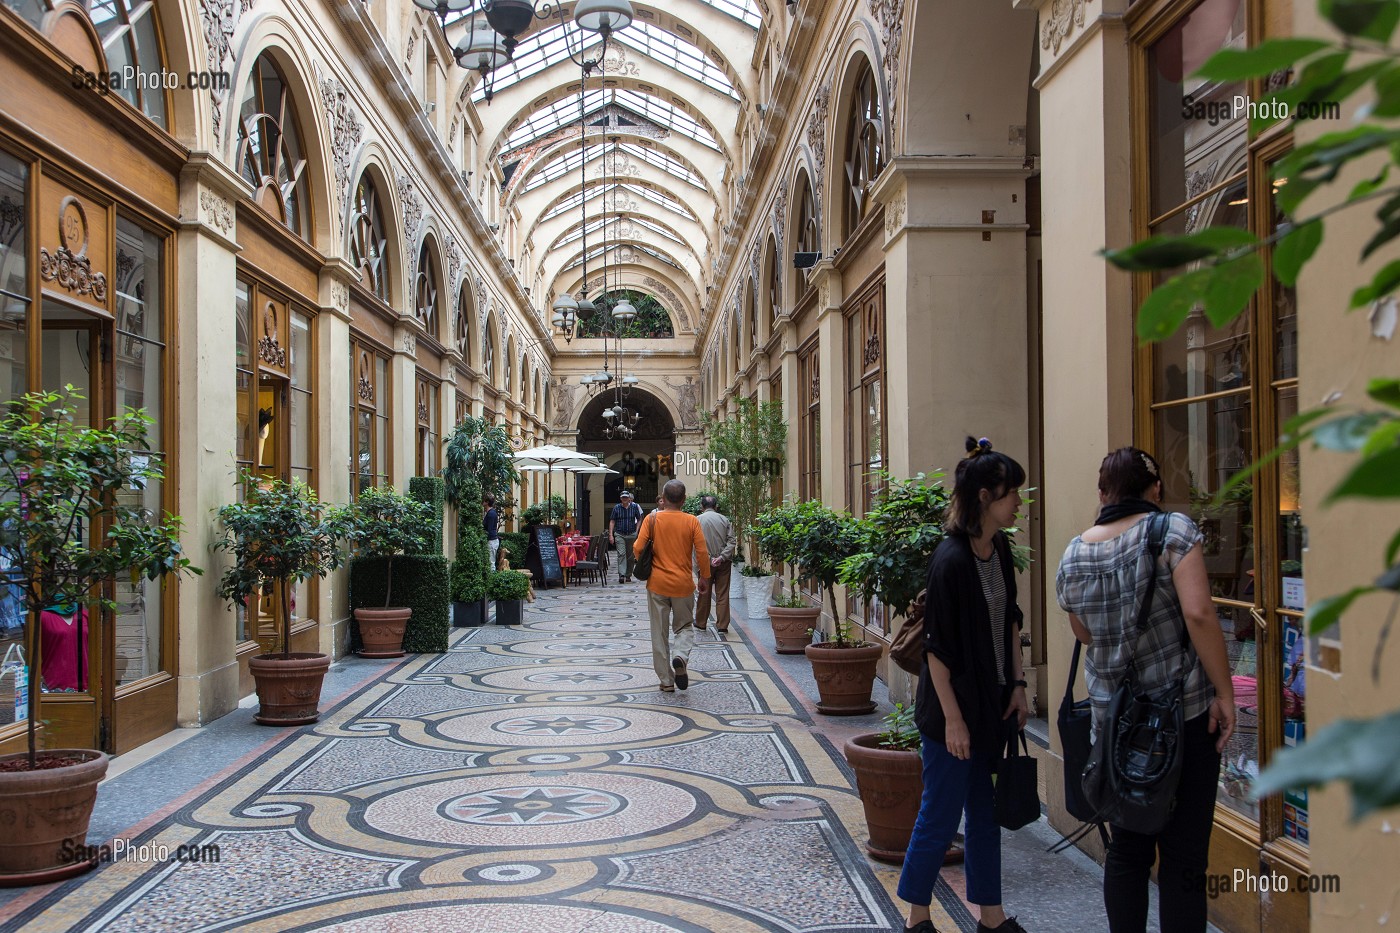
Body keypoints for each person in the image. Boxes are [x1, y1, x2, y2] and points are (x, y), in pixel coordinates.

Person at [1055, 447, 1235, 933]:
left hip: (1115, 723)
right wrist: (1226, 692)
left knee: (1128, 850)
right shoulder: (1173, 531)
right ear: (1155, 489)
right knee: (1184, 855)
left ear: (1102, 494)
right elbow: (1199, 614)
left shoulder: (1074, 553)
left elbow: (1084, 634)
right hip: (1184, 717)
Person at [900, 437, 1029, 933]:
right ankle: (917, 917)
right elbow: (936, 649)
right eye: (1010, 492)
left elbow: (1010, 621)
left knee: (984, 813)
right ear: (983, 497)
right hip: (950, 714)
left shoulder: (999, 548)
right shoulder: (950, 560)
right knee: (939, 815)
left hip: (990, 706)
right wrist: (953, 720)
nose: (1017, 501)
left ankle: (991, 917)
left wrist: (1016, 685)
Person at [632, 479, 711, 693]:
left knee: (658, 632)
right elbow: (702, 552)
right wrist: (704, 577)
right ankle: (681, 656)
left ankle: (666, 680)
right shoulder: (692, 521)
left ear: (664, 499)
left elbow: (638, 548)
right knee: (684, 626)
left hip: (657, 584)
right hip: (683, 585)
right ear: (684, 500)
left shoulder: (652, 519)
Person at [695, 495, 736, 637]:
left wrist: (708, 558)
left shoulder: (697, 520)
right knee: (723, 593)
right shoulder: (724, 520)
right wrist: (721, 557)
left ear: (702, 506)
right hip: (723, 563)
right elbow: (732, 541)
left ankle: (701, 622)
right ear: (716, 506)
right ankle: (722, 625)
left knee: (704, 592)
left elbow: (694, 544)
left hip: (705, 563)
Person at [609, 490, 644, 583]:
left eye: (626, 497)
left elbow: (639, 518)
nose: (624, 499)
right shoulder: (616, 508)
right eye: (623, 497)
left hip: (631, 534)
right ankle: (622, 574)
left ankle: (628, 575)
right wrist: (611, 535)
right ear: (620, 498)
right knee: (621, 554)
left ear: (629, 498)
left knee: (630, 556)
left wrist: (637, 531)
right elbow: (612, 521)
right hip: (619, 534)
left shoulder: (634, 507)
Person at [484, 495, 501, 570]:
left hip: (491, 541)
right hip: (493, 540)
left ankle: (491, 580)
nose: (482, 502)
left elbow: (489, 530)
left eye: (483, 500)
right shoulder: (492, 513)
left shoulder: (490, 514)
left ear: (487, 502)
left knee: (491, 563)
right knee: (491, 562)